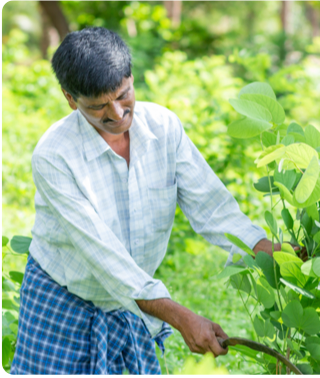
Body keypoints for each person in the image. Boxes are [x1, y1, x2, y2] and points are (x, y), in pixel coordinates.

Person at [10, 27, 284, 375]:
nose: (117, 114)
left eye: (124, 96)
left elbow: (211, 206)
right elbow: (105, 257)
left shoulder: (164, 128)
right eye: (98, 107)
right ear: (70, 98)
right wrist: (182, 317)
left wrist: (265, 248)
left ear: (131, 78)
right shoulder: (54, 155)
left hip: (136, 299)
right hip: (64, 298)